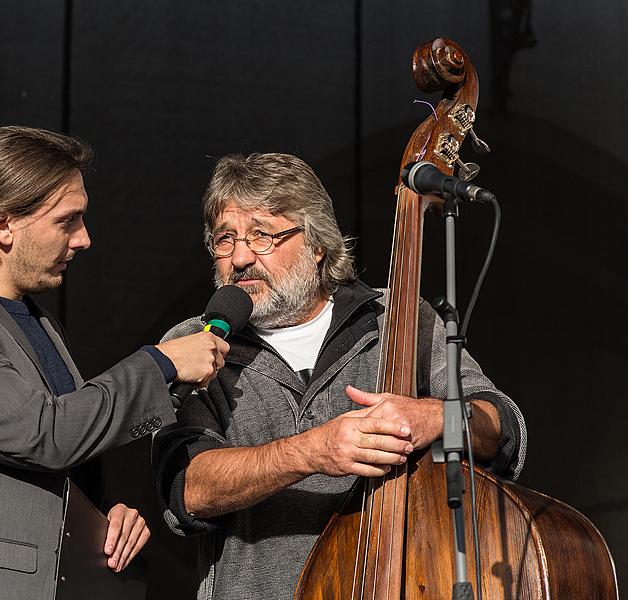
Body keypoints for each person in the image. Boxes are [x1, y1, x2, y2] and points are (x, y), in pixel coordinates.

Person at [0, 126, 229, 600]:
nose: (84, 239)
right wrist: (159, 364)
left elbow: (55, 459)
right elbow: (42, 435)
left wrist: (103, 518)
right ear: (2, 225)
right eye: (67, 221)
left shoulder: (34, 320)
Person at [151, 153, 527, 600]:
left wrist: (435, 417)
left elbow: (503, 428)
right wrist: (312, 451)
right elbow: (188, 491)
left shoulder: (398, 319)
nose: (240, 257)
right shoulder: (194, 342)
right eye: (224, 239)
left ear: (316, 245)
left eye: (263, 236)